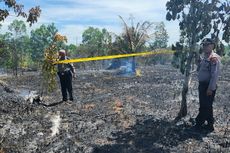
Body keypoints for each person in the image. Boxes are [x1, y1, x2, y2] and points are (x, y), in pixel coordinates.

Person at [195, 38, 221, 132]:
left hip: (208, 86)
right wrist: (198, 63)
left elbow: (214, 75)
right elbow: (200, 69)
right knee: (207, 105)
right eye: (203, 45)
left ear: (212, 45)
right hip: (202, 85)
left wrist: (210, 88)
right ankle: (210, 125)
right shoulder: (205, 57)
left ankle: (198, 123)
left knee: (204, 106)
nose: (205, 46)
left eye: (207, 44)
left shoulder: (213, 58)